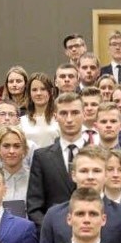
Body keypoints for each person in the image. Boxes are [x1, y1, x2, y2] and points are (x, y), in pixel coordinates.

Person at [38, 147, 121, 243]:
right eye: (84, 171)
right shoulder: (53, 215)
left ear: (106, 175)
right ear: (73, 175)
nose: (90, 177)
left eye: (96, 171)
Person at [26, 92, 87, 226]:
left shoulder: (98, 155)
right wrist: (51, 231)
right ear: (55, 117)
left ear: (84, 114)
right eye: (63, 113)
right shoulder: (41, 157)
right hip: (53, 232)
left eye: (75, 113)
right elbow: (34, 207)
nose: (69, 119)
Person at [20, 72, 60, 150]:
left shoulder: (58, 119)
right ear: (29, 93)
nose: (38, 93)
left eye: (43, 89)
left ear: (51, 91)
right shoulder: (22, 121)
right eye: (34, 90)